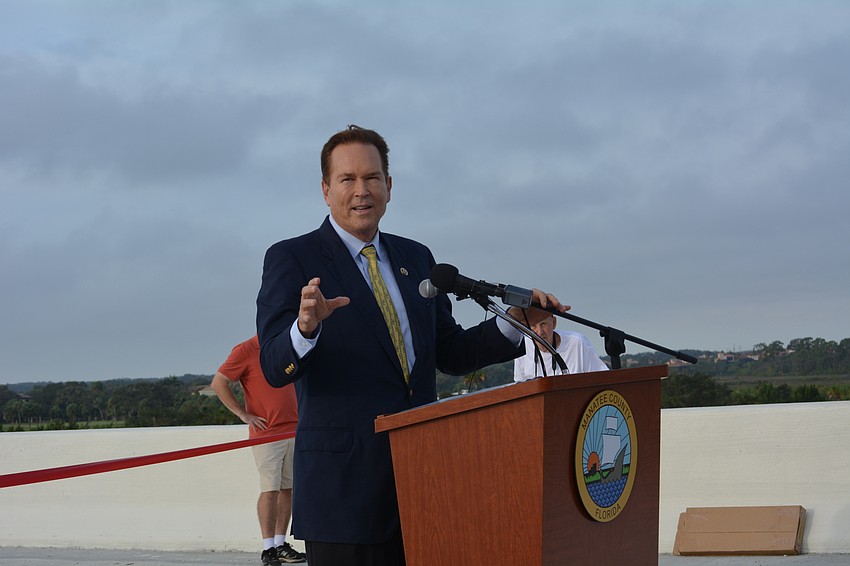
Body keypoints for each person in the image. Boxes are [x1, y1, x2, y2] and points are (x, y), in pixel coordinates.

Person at [256, 124, 567, 566]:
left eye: (372, 178)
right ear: (326, 190)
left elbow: (450, 352)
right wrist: (305, 329)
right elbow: (272, 366)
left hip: (424, 480)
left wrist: (516, 324)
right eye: (347, 179)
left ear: (389, 185)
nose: (361, 191)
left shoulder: (416, 258)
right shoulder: (292, 257)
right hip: (344, 492)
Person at [210, 335, 307, 565]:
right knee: (270, 489)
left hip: (293, 430)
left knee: (288, 489)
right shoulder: (246, 349)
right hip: (267, 433)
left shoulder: (289, 345)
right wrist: (243, 414)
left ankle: (281, 544)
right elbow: (219, 382)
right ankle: (268, 548)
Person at [513, 314, 609, 381]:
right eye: (533, 326)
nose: (539, 332)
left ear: (554, 322)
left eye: (543, 324)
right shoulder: (522, 346)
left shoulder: (577, 342)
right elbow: (519, 387)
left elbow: (603, 378)